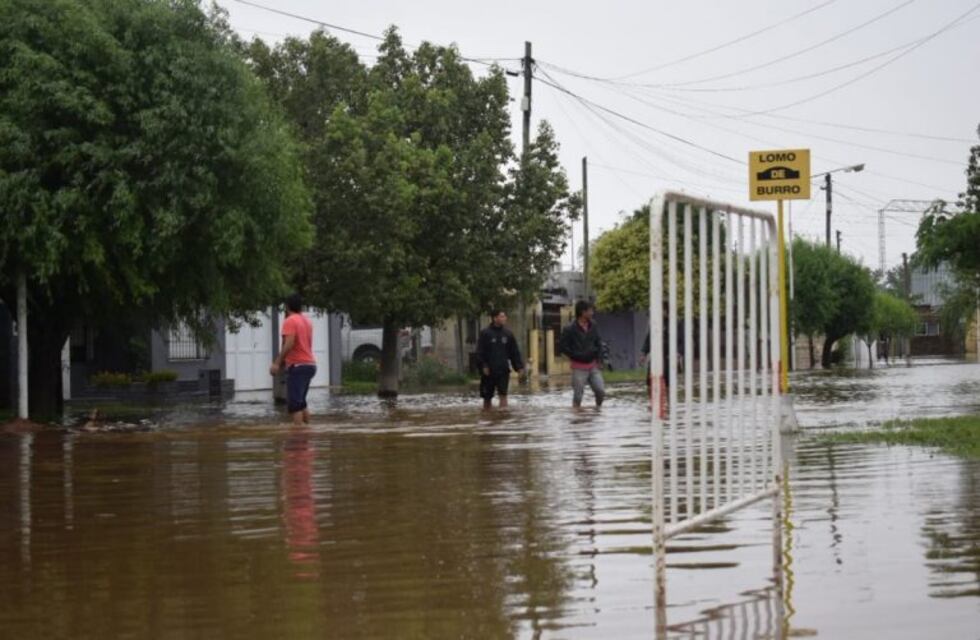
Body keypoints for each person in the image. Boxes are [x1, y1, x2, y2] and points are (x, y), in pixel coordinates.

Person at [270, 293, 317, 425]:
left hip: (298, 366)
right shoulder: (306, 321)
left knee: (295, 405)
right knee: (301, 403)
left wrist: (277, 363)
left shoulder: (290, 321)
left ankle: (297, 440)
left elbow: (289, 343)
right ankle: (307, 434)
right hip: (310, 365)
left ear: (287, 306)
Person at [559, 301, 606, 408]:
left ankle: (598, 411)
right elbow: (562, 347)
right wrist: (576, 355)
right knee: (578, 396)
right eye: (590, 311)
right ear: (582, 312)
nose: (592, 313)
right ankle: (577, 417)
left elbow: (598, 342)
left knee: (601, 391)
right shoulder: (570, 328)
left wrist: (600, 359)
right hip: (578, 367)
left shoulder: (593, 325)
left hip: (593, 365)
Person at [476, 310, 525, 410]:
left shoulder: (508, 334)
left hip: (503, 369)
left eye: (504, 316)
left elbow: (514, 352)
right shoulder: (485, 333)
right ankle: (487, 418)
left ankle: (503, 418)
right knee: (487, 396)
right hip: (489, 371)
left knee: (503, 394)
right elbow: (480, 352)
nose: (504, 318)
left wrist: (519, 367)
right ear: (495, 318)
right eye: (501, 316)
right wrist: (483, 366)